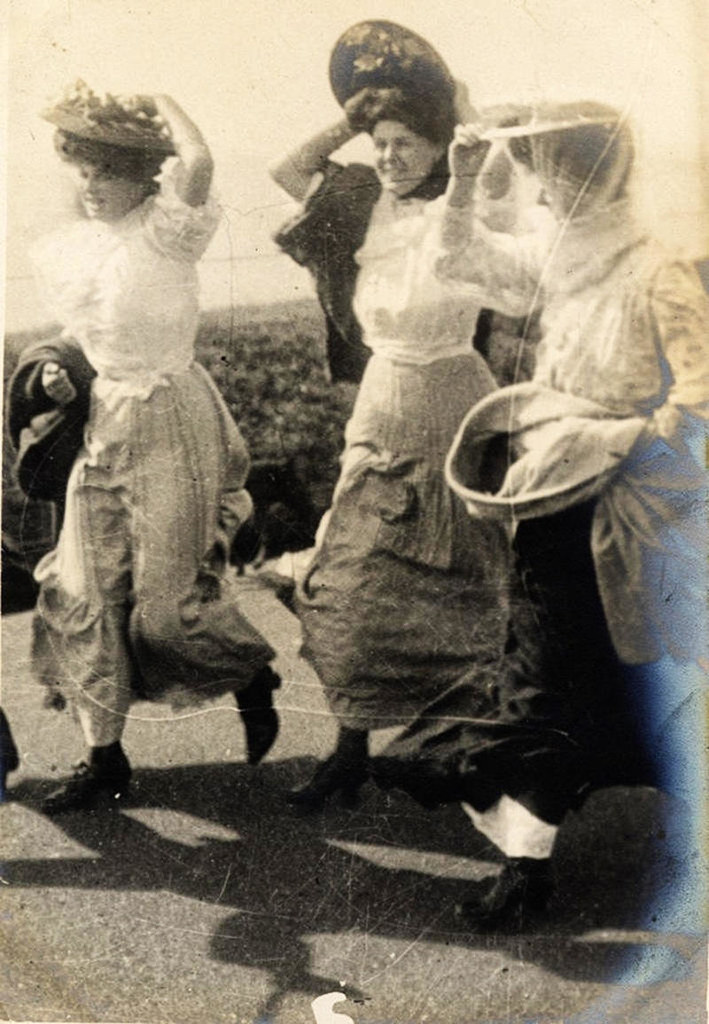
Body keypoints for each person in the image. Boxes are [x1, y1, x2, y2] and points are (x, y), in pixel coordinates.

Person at [373, 101, 709, 924]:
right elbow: (460, 260)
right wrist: (459, 183)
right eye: (538, 168)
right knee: (545, 676)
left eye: (562, 168)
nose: (547, 187)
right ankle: (526, 869)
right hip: (551, 494)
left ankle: (535, 868)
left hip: (627, 505)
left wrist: (629, 442)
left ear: (606, 174)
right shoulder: (558, 258)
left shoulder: (652, 267)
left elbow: (699, 394)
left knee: (594, 678)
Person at [11, 82, 282, 814]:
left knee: (163, 609)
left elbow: (197, 160)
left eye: (111, 171)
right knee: (81, 591)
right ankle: (104, 756)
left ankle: (247, 673)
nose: (94, 186)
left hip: (172, 417)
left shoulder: (168, 231)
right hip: (103, 421)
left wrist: (160, 99)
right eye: (85, 169)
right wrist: (55, 369)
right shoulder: (72, 245)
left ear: (143, 176)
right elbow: (87, 335)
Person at [270, 41, 521, 810]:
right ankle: (349, 749)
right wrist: (356, 115)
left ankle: (478, 758)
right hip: (382, 399)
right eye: (378, 147)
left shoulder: (471, 202)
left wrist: (464, 117)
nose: (387, 160)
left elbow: (498, 174)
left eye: (403, 145)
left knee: (464, 580)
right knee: (351, 575)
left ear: (439, 145)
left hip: (456, 399)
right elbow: (287, 172)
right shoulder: (358, 201)